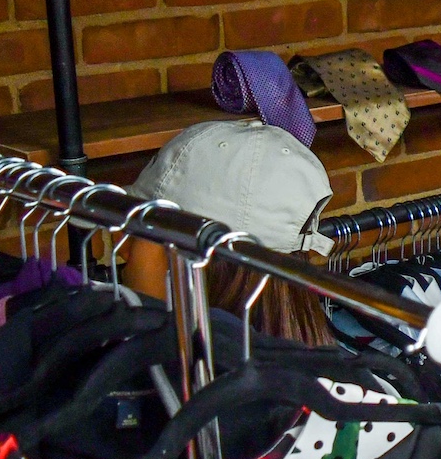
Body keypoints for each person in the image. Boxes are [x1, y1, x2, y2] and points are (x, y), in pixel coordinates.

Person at [122, 118, 338, 346]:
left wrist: (146, 314)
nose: (123, 249)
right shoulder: (320, 368)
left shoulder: (161, 374)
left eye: (139, 234)